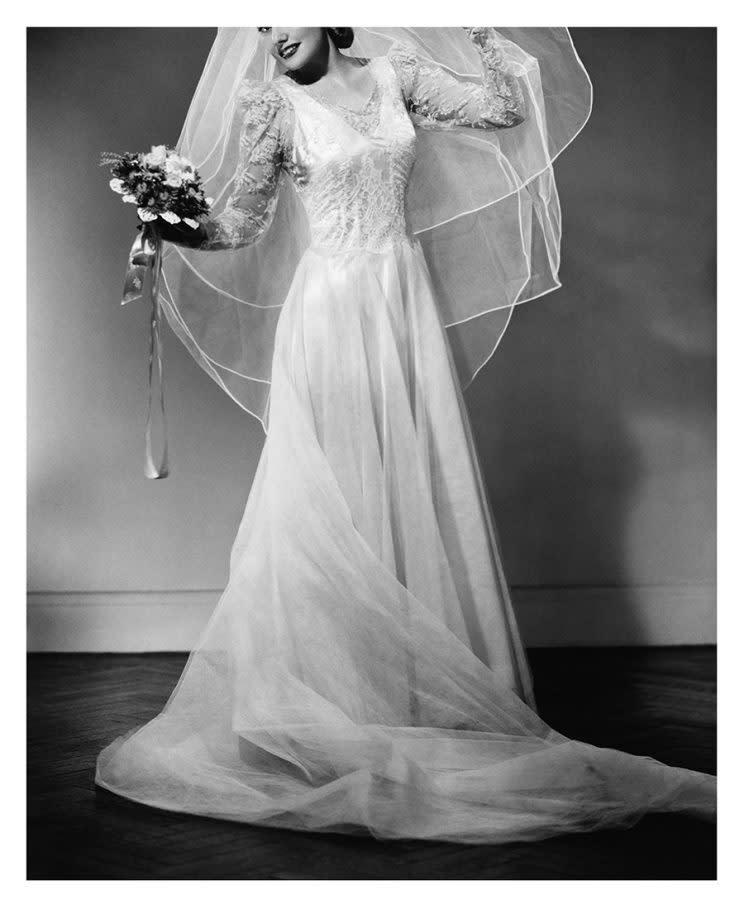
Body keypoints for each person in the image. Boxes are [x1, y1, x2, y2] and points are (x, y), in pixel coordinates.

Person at [95, 27, 715, 844]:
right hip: (330, 315)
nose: (273, 32)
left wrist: (488, 34)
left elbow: (498, 111)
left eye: (288, 11)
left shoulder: (399, 76)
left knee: (412, 485)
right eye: (260, 19)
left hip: (399, 306)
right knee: (337, 500)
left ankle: (421, 697)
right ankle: (338, 700)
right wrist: (166, 215)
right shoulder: (269, 106)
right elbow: (241, 222)